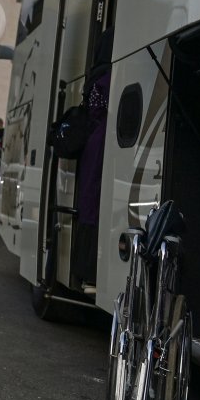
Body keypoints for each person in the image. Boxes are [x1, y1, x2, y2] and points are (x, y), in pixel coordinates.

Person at [75, 30, 114, 290]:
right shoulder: (110, 76)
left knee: (88, 203)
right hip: (101, 145)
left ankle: (84, 270)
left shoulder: (94, 77)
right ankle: (90, 273)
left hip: (91, 145)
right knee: (95, 205)